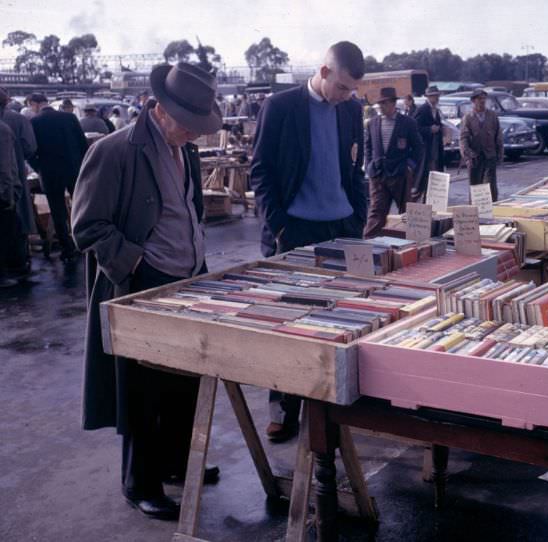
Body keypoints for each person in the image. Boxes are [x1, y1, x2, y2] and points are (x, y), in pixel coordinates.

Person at [71, 62, 223, 521]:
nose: (193, 135)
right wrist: (135, 262)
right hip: (142, 284)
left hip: (188, 278)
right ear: (159, 109)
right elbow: (86, 225)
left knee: (184, 380)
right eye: (188, 124)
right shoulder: (115, 150)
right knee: (142, 390)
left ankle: (176, 463)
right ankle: (140, 483)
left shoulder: (186, 150)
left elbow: (186, 209)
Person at [250, 41, 367, 441]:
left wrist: (358, 220)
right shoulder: (281, 107)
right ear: (323, 71)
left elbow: (356, 170)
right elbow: (260, 172)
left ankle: (330, 408)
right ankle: (282, 410)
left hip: (341, 229)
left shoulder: (351, 109)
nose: (347, 96)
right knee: (289, 325)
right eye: (343, 87)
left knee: (339, 321)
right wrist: (280, 228)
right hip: (295, 231)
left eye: (353, 90)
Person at [29, 94, 88, 261]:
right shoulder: (69, 117)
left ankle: (67, 248)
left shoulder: (34, 122)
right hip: (73, 170)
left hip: (50, 173)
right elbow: (83, 144)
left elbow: (30, 151)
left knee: (57, 211)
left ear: (34, 104)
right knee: (80, 206)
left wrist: (38, 167)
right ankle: (85, 242)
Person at [363, 87, 423, 238]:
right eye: (379, 103)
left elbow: (418, 148)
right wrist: (369, 165)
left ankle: (413, 243)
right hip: (378, 174)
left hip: (400, 174)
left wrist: (409, 166)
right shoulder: (372, 123)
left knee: (407, 213)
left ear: (392, 103)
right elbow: (368, 146)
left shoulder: (408, 122)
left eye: (384, 103)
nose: (381, 106)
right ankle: (368, 245)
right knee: (376, 212)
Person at [0, 86, 37, 280]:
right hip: (10, 182)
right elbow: (29, 147)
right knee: (15, 222)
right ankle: (17, 264)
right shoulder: (15, 122)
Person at [459, 88, 503, 202]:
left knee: (490, 186)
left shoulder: (492, 115)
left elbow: (498, 136)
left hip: (490, 156)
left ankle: (493, 210)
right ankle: (473, 213)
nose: (482, 101)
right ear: (473, 101)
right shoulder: (468, 117)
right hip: (474, 158)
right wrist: (467, 155)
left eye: (484, 98)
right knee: (475, 187)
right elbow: (463, 138)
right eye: (479, 99)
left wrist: (499, 154)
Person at [412, 85, 445, 201]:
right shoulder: (423, 109)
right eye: (434, 96)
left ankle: (430, 202)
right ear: (428, 97)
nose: (436, 98)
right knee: (423, 178)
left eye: (437, 96)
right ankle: (417, 205)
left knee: (434, 178)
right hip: (426, 150)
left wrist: (440, 128)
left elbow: (438, 125)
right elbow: (414, 127)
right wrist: (429, 129)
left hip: (434, 149)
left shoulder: (435, 109)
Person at [0, 121, 21, 287]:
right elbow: (4, 167)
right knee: (6, 234)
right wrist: (9, 196)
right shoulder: (3, 130)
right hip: (2, 192)